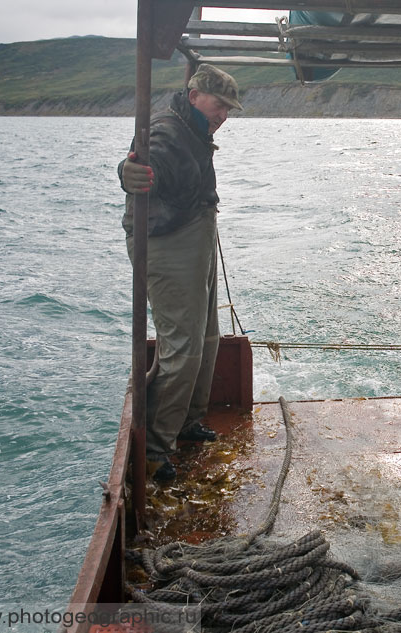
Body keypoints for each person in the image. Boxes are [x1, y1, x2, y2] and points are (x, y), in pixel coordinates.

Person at [118, 63, 243, 481]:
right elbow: (141, 164)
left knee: (207, 335)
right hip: (166, 243)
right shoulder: (167, 132)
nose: (223, 114)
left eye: (228, 108)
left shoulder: (194, 128)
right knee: (183, 344)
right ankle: (154, 447)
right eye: (218, 104)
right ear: (194, 96)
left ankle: (187, 421)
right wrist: (126, 173)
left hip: (193, 233)